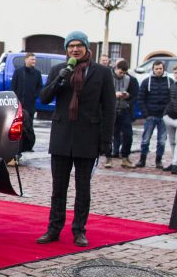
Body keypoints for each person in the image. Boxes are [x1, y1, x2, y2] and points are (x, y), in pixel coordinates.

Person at [36, 31, 115, 247]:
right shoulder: (58, 70)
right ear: (66, 50)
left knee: (83, 188)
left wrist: (106, 141)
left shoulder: (102, 73)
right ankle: (53, 228)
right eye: (71, 46)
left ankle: (79, 230)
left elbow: (109, 109)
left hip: (87, 137)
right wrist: (60, 79)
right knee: (58, 187)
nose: (75, 49)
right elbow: (44, 98)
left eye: (79, 45)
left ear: (87, 48)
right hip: (61, 136)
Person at [136, 61, 171, 169]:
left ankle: (158, 160)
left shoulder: (170, 82)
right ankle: (142, 159)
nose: (159, 70)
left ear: (163, 69)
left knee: (161, 141)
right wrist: (146, 114)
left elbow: (172, 99)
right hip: (150, 115)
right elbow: (140, 98)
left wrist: (167, 112)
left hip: (164, 116)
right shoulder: (147, 82)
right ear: (153, 69)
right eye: (157, 69)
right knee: (145, 139)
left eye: (160, 68)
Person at [9, 52, 42, 165]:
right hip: (18, 104)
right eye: (32, 59)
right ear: (26, 59)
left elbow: (39, 87)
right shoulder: (18, 72)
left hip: (30, 105)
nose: (34, 61)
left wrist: (34, 95)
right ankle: (17, 149)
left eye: (35, 60)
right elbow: (13, 86)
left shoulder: (37, 73)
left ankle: (29, 145)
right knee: (18, 127)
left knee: (29, 127)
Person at [106, 59, 139, 168]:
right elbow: (103, 92)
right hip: (111, 110)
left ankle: (125, 157)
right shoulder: (108, 77)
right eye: (120, 72)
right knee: (109, 135)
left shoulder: (129, 79)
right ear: (116, 68)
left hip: (124, 110)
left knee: (128, 135)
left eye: (124, 73)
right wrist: (114, 95)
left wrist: (127, 97)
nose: (122, 74)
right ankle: (108, 157)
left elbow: (134, 94)